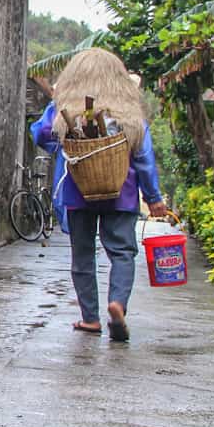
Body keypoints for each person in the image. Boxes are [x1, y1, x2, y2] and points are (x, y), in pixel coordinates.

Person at [30, 48, 167, 342]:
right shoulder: (130, 113)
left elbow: (41, 135)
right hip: (123, 193)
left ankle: (90, 319)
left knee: (82, 255)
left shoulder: (63, 108)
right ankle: (117, 303)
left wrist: (54, 108)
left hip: (78, 191)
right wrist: (154, 198)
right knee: (122, 253)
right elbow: (144, 157)